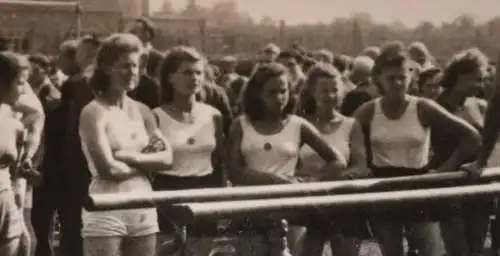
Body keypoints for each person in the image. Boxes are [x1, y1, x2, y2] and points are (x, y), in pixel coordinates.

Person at [354, 41, 480, 256]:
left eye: (402, 77)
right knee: (391, 251)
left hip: (420, 182)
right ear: (379, 78)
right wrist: (360, 163)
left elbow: (471, 137)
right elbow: (347, 137)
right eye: (391, 77)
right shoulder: (368, 110)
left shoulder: (423, 107)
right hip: (384, 185)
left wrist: (444, 170)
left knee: (429, 250)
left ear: (411, 77)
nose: (397, 83)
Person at [227, 62, 347, 256]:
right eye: (271, 92)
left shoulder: (298, 125)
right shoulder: (241, 125)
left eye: (283, 91)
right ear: (257, 93)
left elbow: (337, 160)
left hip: (290, 208)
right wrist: (275, 181)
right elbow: (235, 171)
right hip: (251, 208)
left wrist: (312, 184)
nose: (279, 98)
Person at [79, 33, 172, 256]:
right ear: (106, 68)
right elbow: (108, 169)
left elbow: (167, 159)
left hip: (142, 205)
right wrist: (147, 164)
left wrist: (129, 157)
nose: (131, 72)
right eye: (123, 66)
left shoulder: (143, 110)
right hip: (105, 206)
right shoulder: (93, 111)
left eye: (135, 65)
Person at [152, 46, 226, 255]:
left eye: (198, 72)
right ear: (170, 78)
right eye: (186, 72)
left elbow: (219, 161)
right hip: (167, 191)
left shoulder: (213, 115)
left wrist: (220, 200)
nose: (193, 78)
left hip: (205, 189)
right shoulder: (156, 116)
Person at [297, 63, 369, 256]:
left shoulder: (351, 125)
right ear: (313, 92)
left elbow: (361, 166)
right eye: (324, 90)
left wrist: (334, 182)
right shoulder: (300, 124)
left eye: (335, 90)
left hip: (343, 202)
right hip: (307, 203)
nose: (330, 95)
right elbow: (291, 164)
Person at [430, 48, 490, 256]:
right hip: (449, 183)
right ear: (459, 75)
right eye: (476, 79)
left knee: (476, 247)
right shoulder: (436, 106)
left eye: (483, 81)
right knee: (457, 248)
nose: (480, 86)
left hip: (477, 184)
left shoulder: (479, 106)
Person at [0, 51, 32, 256]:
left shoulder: (14, 123)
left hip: (6, 207)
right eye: (20, 83)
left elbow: (14, 176)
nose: (23, 91)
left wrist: (20, 220)